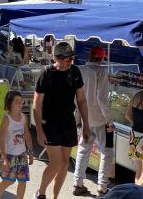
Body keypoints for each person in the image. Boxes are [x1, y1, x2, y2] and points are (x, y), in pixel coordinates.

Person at [33, 42, 90, 199]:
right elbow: (36, 104)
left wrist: (86, 124)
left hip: (68, 122)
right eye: (67, 59)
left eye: (72, 58)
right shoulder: (46, 73)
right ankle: (41, 192)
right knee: (56, 162)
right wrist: (39, 130)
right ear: (56, 58)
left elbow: (82, 100)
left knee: (65, 163)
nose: (70, 61)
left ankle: (54, 197)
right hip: (50, 123)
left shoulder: (75, 71)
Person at [74, 46, 114, 196]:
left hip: (85, 118)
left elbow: (76, 97)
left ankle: (78, 183)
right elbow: (101, 99)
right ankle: (102, 186)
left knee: (83, 150)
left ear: (89, 56)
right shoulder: (102, 72)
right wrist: (109, 120)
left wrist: (78, 117)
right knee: (106, 152)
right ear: (102, 58)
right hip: (100, 119)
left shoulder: (80, 70)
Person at [0, 91, 33, 199]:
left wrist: (31, 152)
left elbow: (27, 135)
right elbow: (1, 139)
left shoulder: (24, 117)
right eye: (17, 101)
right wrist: (4, 158)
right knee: (8, 181)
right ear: (10, 103)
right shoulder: (7, 119)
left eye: (22, 101)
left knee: (23, 181)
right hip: (9, 155)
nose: (20, 104)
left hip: (22, 155)